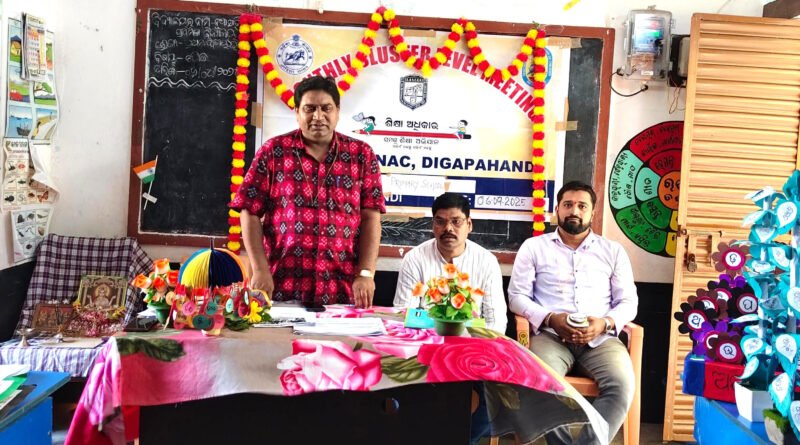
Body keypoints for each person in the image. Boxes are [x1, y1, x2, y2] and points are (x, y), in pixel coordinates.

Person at [231, 75, 385, 308]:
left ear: (337, 111)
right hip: (280, 285)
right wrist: (260, 269)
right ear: (297, 112)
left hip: (342, 288)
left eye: (326, 108)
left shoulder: (361, 155)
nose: (318, 117)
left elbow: (371, 218)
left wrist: (366, 273)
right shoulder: (273, 151)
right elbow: (249, 211)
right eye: (309, 108)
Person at [508, 180, 638, 444]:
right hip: (551, 337)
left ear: (592, 213)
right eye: (568, 205)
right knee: (538, 382)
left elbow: (629, 302)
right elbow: (516, 297)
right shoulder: (534, 247)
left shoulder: (613, 251)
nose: (574, 211)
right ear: (557, 209)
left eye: (582, 206)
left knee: (621, 386)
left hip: (601, 340)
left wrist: (604, 323)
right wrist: (550, 318)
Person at [394, 192, 507, 334]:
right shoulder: (414, 259)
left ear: (469, 225)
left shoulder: (487, 262)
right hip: (425, 340)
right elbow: (404, 315)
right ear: (433, 225)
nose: (448, 228)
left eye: (456, 221)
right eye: (440, 221)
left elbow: (495, 321)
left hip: (472, 342)